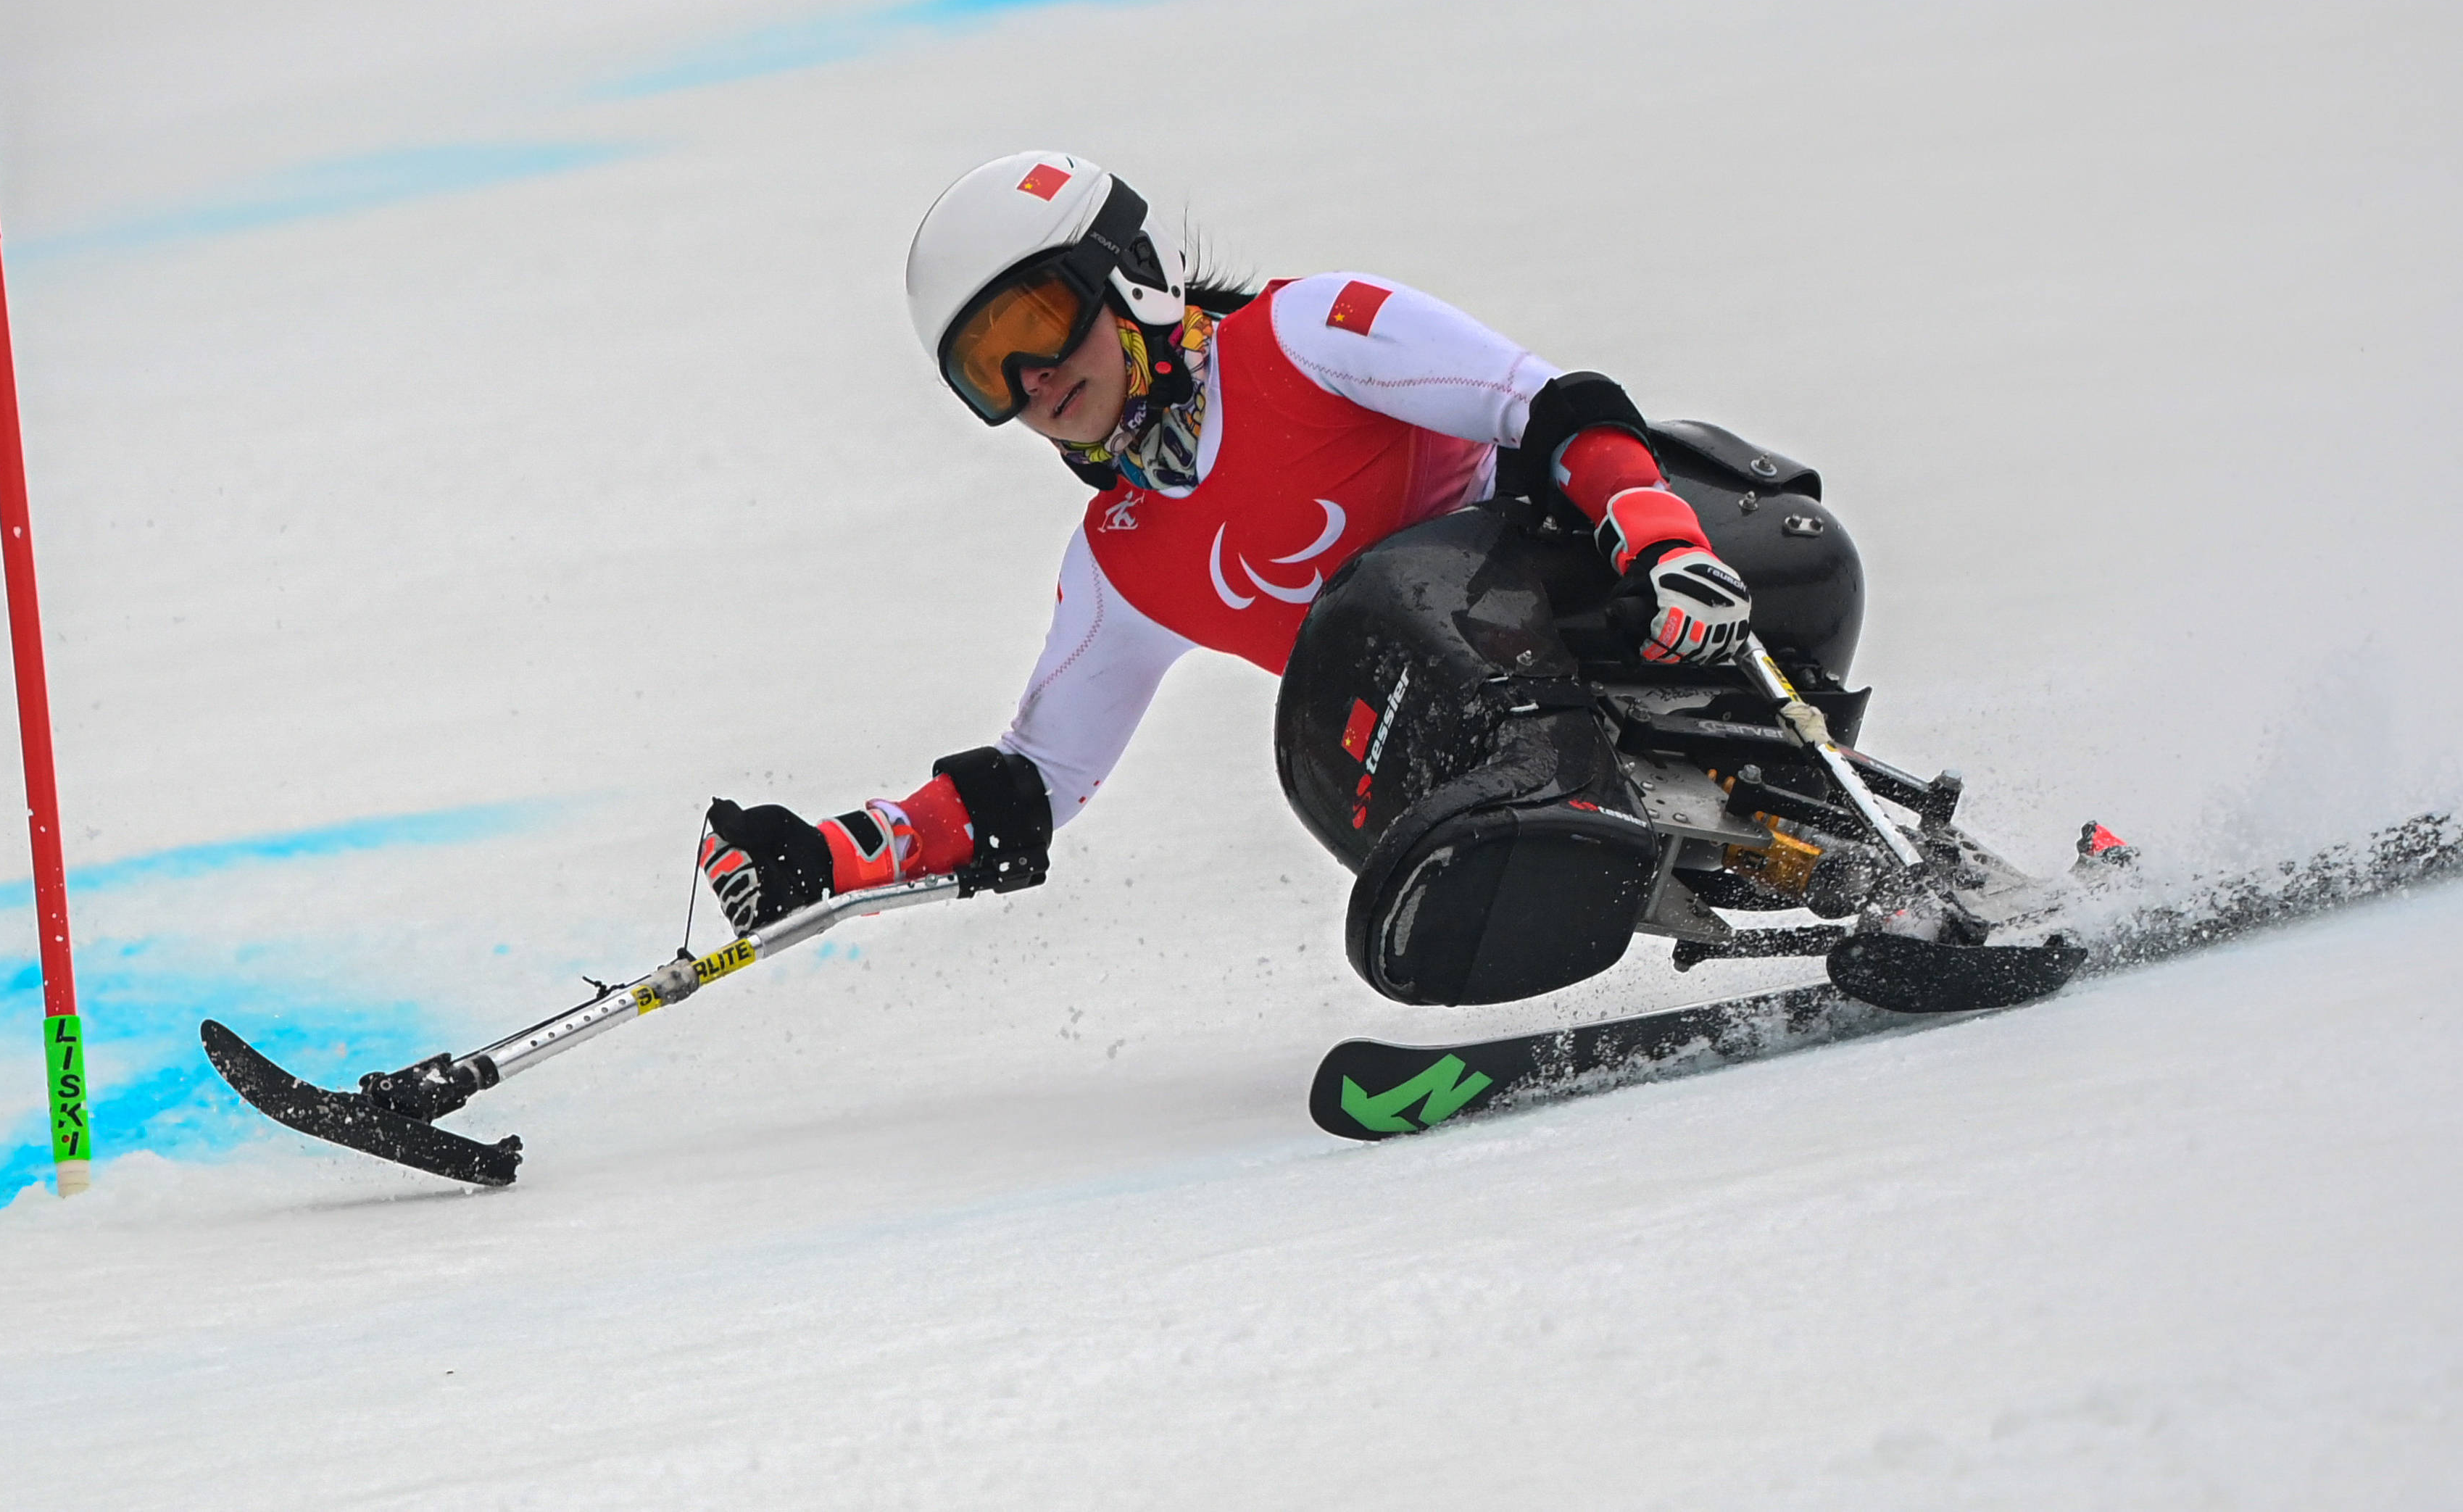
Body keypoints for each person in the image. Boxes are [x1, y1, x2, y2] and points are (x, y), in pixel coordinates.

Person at [698, 150, 1831, 1005]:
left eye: (1038, 321)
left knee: (1382, 605)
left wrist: (1661, 539)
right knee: (1324, 730)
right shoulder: (1121, 559)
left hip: (1679, 587)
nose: (1034, 379)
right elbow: (1033, 780)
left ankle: (1555, 807)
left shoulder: (1303, 335)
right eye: (986, 375)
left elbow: (1547, 404)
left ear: (1128, 276)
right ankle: (1602, 855)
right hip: (1477, 731)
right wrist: (829, 854)